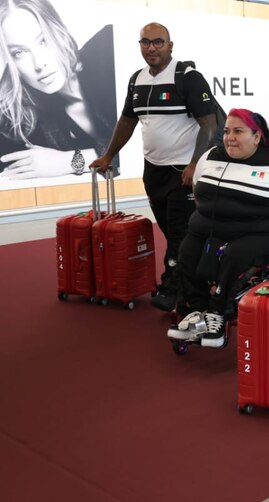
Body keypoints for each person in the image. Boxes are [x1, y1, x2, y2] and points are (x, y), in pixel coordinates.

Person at [168, 109, 269, 348]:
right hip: (209, 232)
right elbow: (200, 192)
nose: (230, 137)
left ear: (257, 136)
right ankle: (196, 312)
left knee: (235, 255)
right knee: (187, 252)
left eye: (238, 131)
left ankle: (218, 315)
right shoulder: (210, 156)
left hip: (260, 234)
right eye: (227, 131)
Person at [90, 23, 218, 313]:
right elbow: (127, 121)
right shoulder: (137, 80)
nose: (151, 48)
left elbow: (209, 125)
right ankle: (193, 276)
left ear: (170, 45)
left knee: (178, 234)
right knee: (171, 231)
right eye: (145, 42)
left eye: (158, 42)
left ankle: (172, 289)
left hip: (183, 170)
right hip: (154, 170)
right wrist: (108, 155)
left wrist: (195, 164)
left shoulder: (188, 77)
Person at [0, 0, 116, 180]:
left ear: (59, 31)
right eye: (19, 53)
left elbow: (149, 148)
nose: (39, 64)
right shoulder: (25, 117)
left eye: (43, 41)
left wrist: (71, 161)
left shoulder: (108, 49)